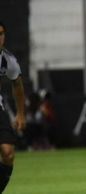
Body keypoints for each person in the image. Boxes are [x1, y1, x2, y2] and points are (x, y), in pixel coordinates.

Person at [0, 22, 26, 193]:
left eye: (1, 33)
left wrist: (21, 114)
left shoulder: (7, 59)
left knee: (8, 153)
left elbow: (17, 84)